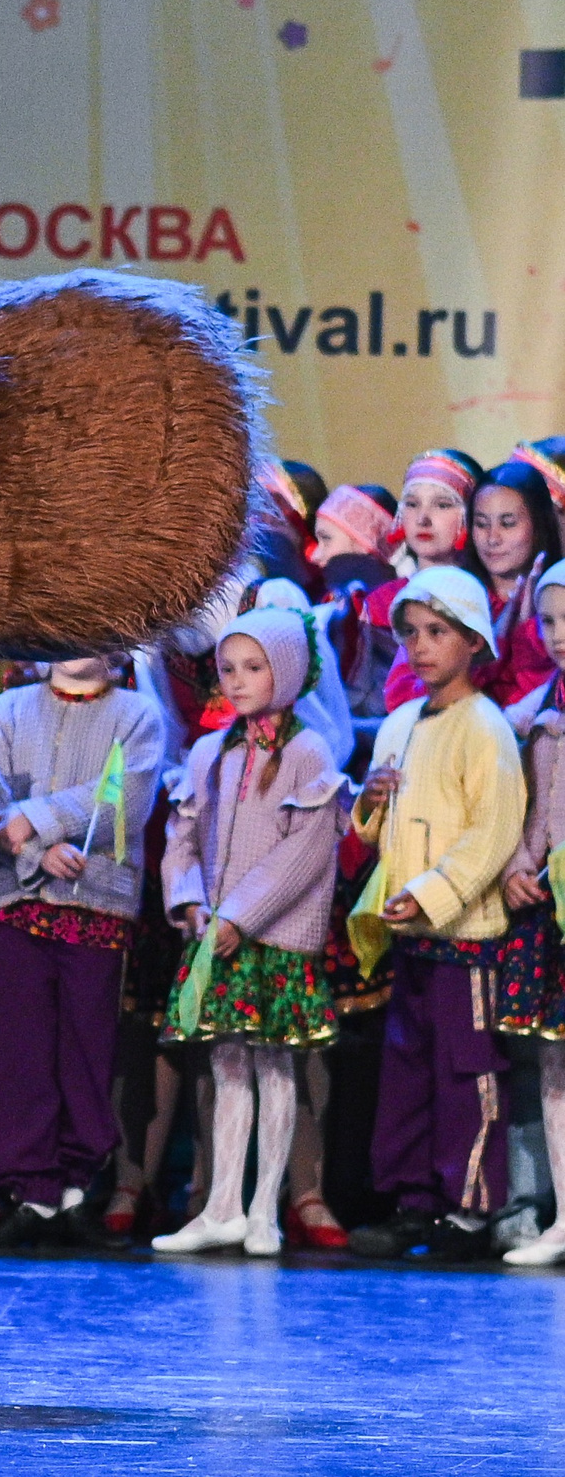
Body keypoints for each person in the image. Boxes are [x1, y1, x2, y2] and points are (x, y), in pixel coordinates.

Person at [152, 607, 348, 1256]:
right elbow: (182, 838)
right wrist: (190, 902)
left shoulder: (308, 752)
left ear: (285, 671)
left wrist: (239, 914)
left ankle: (266, 1207)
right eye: (228, 668)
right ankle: (221, 1205)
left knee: (274, 1065)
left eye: (253, 667)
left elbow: (302, 852)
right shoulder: (211, 751)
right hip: (216, 935)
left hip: (274, 937)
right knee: (227, 1063)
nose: (236, 680)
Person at [346, 567, 525, 1262]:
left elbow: (492, 831)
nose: (421, 646)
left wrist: (432, 890)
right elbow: (374, 829)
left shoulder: (485, 730)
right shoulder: (398, 722)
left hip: (464, 935)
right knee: (408, 1072)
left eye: (437, 632)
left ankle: (471, 1205)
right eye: (411, 633)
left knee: (466, 1072)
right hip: (413, 937)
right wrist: (371, 800)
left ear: (473, 640)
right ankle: (413, 1200)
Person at [0, 650, 165, 1249]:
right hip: (18, 900)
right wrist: (35, 853)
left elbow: (125, 802)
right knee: (16, 1046)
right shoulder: (8, 709)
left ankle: (77, 1189)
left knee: (86, 1045)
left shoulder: (137, 715)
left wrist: (39, 818)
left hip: (95, 899)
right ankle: (32, 1194)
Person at [495, 559, 565, 1266]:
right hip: (551, 911)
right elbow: (520, 811)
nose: (560, 633)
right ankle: (561, 1215)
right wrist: (517, 863)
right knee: (550, 1060)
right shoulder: (533, 718)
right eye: (548, 620)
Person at [383, 460, 558, 711]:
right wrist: (492, 646)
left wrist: (529, 636)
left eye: (507, 523)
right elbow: (400, 699)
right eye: (481, 524)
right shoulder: (448, 596)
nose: (492, 538)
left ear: (539, 525)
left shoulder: (556, 599)